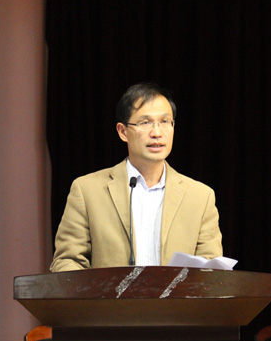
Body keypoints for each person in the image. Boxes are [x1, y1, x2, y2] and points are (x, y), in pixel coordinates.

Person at [50, 83, 222, 272]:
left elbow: (212, 271)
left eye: (165, 122)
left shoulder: (200, 197)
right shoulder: (87, 190)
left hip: (177, 294)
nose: (157, 133)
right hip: (109, 293)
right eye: (145, 123)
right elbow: (67, 262)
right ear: (123, 132)